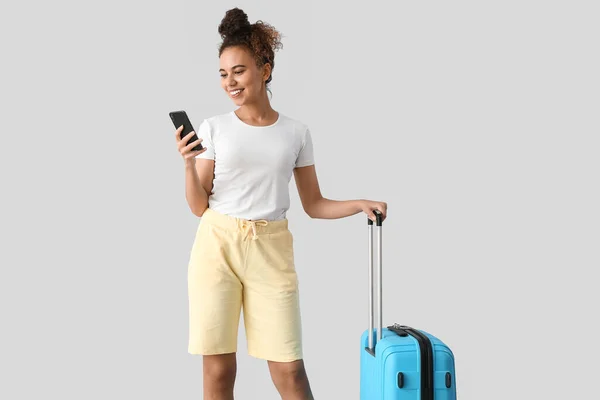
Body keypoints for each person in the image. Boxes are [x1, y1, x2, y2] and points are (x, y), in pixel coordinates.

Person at [174, 8, 387, 400]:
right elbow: (198, 206)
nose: (230, 82)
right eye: (223, 74)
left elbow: (314, 204)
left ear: (265, 70)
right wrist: (189, 164)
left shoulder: (295, 133)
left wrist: (358, 204)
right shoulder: (214, 128)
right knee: (218, 370)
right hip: (216, 245)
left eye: (238, 71)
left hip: (271, 249)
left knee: (290, 371)